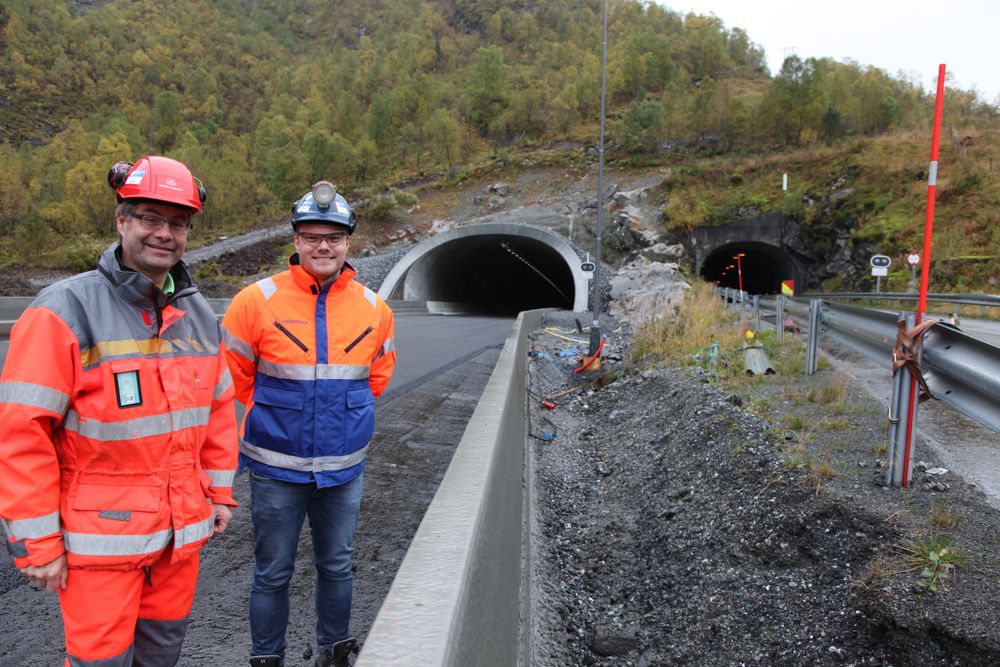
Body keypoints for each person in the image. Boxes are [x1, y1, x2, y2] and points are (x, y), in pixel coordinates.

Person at [0, 155, 240, 666]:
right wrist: (37, 542)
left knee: (161, 656)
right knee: (101, 661)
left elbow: (218, 410)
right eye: (150, 218)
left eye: (177, 223)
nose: (165, 234)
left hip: (178, 539)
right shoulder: (63, 312)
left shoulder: (198, 314)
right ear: (122, 221)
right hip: (101, 545)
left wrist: (218, 492)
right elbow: (22, 436)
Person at [222, 180, 396, 667]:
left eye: (334, 237)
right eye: (312, 236)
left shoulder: (373, 309)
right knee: (272, 572)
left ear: (348, 243)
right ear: (296, 241)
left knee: (337, 566)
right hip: (276, 470)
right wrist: (284, 416)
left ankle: (333, 652)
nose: (323, 246)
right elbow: (233, 379)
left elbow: (376, 377)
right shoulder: (254, 302)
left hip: (342, 471)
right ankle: (266, 657)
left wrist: (335, 416)